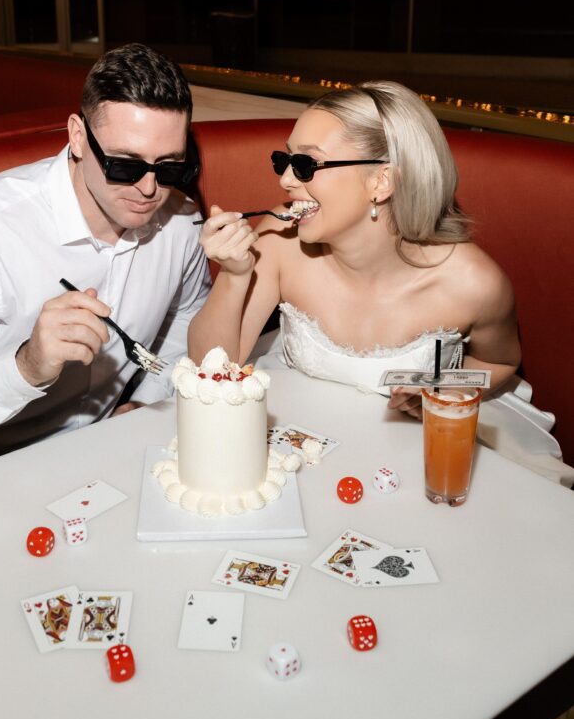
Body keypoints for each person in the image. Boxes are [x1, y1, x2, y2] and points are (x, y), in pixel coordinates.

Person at [188, 81, 571, 482]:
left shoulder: (473, 283)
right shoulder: (280, 242)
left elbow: (500, 362)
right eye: (283, 159)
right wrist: (235, 276)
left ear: (381, 182)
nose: (285, 179)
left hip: (418, 453)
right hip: (303, 449)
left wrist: (443, 390)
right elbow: (205, 366)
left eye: (305, 164)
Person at [0, 43, 211, 457]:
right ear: (78, 136)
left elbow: (187, 314)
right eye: (125, 165)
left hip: (112, 445)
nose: (150, 188)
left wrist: (148, 398)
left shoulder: (181, 220)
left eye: (169, 167)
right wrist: (25, 365)